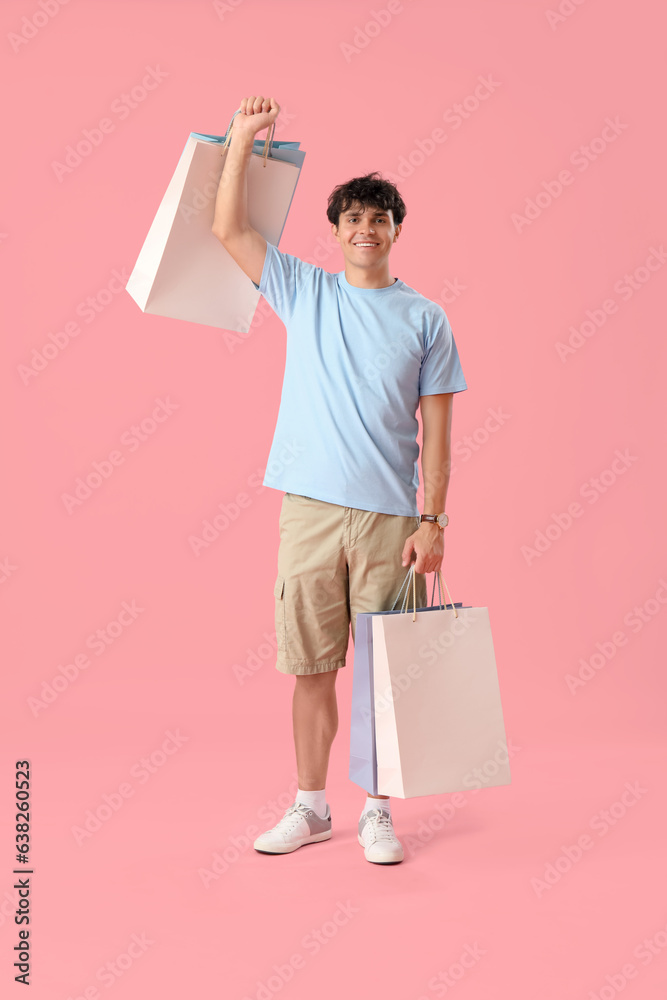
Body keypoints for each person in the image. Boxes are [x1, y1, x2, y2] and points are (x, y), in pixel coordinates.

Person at [212, 95, 467, 865]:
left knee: (384, 672)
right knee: (310, 665)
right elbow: (227, 229)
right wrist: (241, 139)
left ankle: (378, 812)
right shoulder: (305, 292)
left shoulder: (426, 319)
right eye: (352, 218)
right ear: (334, 232)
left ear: (394, 231)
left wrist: (434, 523)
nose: (364, 229)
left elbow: (440, 435)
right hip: (311, 511)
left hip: (391, 519)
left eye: (378, 218)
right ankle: (310, 807)